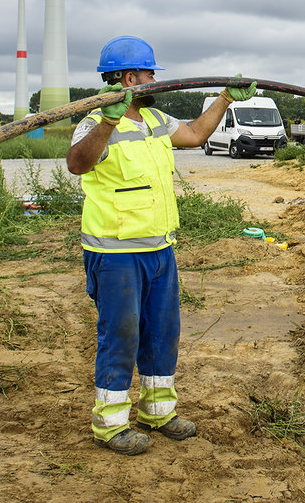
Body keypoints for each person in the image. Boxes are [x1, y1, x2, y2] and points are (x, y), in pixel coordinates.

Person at [66, 35, 256, 455]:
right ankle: (111, 424)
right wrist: (109, 122)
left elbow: (194, 133)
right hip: (115, 253)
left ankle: (158, 411)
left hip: (159, 250)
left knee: (161, 334)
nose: (157, 81)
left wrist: (224, 99)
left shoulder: (155, 120)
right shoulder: (93, 120)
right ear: (131, 78)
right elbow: (77, 164)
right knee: (121, 333)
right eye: (152, 74)